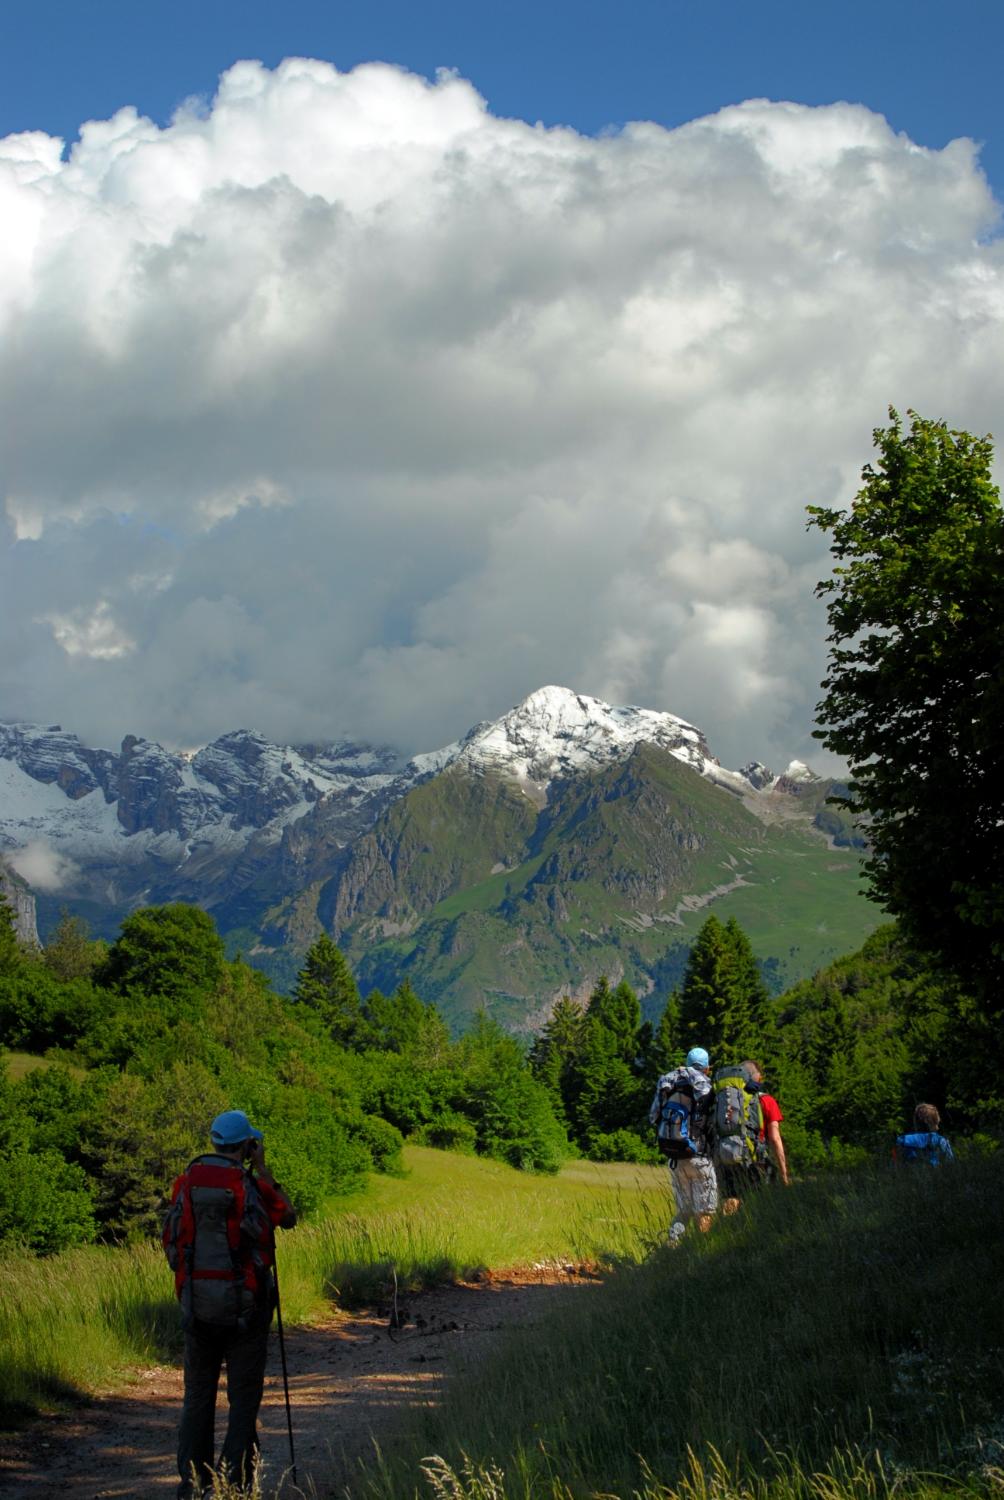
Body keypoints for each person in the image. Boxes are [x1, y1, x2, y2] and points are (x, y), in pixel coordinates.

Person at [164, 1109, 297, 1499]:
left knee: (197, 1396)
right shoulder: (252, 1186)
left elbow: (173, 1239)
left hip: (197, 1306)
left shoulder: (186, 1183)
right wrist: (263, 1167)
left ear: (214, 1141)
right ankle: (234, 1485)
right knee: (243, 1399)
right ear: (246, 1145)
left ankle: (192, 1482)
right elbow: (288, 1217)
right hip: (247, 1309)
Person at [650, 1046, 718, 1242]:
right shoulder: (704, 1084)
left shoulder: (668, 1081)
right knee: (705, 1211)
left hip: (675, 1156)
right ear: (706, 1068)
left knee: (683, 1211)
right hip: (700, 1156)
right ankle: (702, 1252)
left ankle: (672, 1246)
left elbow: (653, 1116)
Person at [716, 1060, 789, 1214]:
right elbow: (775, 1138)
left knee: (732, 1199)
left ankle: (725, 1232)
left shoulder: (726, 1097)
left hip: (728, 1156)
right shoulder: (767, 1101)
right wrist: (784, 1174)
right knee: (759, 1203)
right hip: (755, 1160)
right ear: (757, 1077)